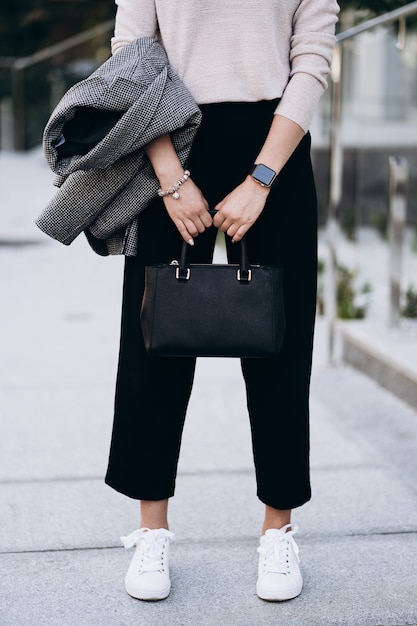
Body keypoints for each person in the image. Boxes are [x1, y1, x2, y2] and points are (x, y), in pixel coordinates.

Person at [105, 0, 339, 603]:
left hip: (275, 144)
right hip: (169, 138)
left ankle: (278, 529)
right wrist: (171, 179)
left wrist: (262, 178)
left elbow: (310, 62)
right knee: (154, 340)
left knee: (281, 348)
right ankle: (151, 532)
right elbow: (131, 57)